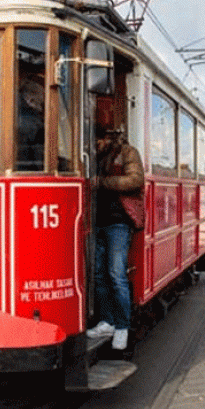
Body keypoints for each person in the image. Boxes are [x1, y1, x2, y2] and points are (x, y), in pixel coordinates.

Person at [86, 126, 145, 350]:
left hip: (119, 222)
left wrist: (102, 182)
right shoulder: (95, 156)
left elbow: (135, 180)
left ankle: (122, 326)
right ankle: (107, 322)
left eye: (100, 139)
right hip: (98, 222)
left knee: (116, 274)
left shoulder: (128, 153)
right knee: (99, 274)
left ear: (109, 138)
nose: (97, 144)